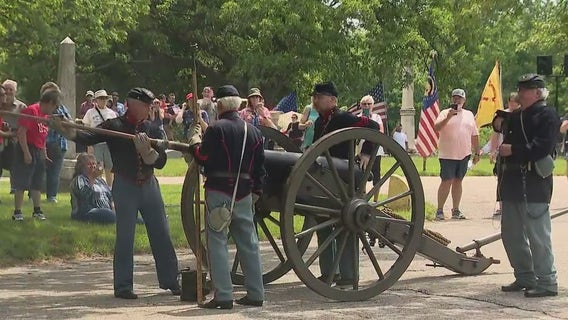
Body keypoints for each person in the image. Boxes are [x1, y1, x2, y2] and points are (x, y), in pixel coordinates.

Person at [53, 87, 180, 299]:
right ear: (134, 104)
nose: (151, 108)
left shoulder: (153, 128)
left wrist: (148, 152)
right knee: (125, 237)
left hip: (149, 186)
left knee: (162, 233)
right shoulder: (114, 125)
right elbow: (86, 137)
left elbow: (161, 162)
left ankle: (170, 280)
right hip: (125, 185)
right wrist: (63, 129)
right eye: (147, 105)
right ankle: (123, 287)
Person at [188, 85, 265, 309]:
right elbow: (260, 168)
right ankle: (256, 293)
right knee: (249, 244)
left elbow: (203, 156)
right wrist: (256, 191)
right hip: (244, 193)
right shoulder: (254, 132)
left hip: (219, 190)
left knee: (217, 243)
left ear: (219, 105)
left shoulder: (215, 129)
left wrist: (194, 142)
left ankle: (223, 295)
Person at [492, 74, 558, 298]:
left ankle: (547, 281)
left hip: (534, 182)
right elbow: (500, 126)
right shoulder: (517, 115)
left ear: (537, 93)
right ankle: (524, 276)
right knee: (511, 233)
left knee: (538, 235)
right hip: (511, 182)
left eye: (525, 89)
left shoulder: (547, 115)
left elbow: (542, 147)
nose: (520, 92)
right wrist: (499, 121)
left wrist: (514, 150)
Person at [311, 81, 380, 286]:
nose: (315, 100)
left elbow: (373, 126)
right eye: (314, 97)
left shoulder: (342, 117)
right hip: (324, 178)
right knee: (323, 224)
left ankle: (349, 275)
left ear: (332, 100)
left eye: (319, 96)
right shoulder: (318, 122)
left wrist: (367, 151)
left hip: (343, 178)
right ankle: (330, 272)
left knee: (345, 223)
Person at [12, 86, 62, 221]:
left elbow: (42, 137)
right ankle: (17, 212)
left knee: (37, 182)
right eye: (55, 106)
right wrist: (26, 153)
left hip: (39, 150)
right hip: (27, 147)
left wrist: (44, 153)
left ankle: (37, 210)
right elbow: (21, 133)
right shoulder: (31, 111)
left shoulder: (45, 116)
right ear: (50, 102)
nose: (55, 109)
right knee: (22, 181)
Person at [433, 88, 480, 220]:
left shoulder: (469, 114)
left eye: (459, 98)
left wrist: (477, 152)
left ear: (464, 100)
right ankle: (440, 210)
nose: (457, 100)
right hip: (447, 154)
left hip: (464, 154)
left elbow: (475, 134)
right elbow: (437, 127)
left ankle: (456, 210)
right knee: (446, 181)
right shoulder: (444, 113)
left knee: (458, 181)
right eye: (454, 97)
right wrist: (448, 117)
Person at [489, 92, 521, 216]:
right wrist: (492, 151)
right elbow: (495, 134)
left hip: (516, 152)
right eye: (510, 102)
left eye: (515, 102)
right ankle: (502, 206)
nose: (512, 104)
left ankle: (516, 205)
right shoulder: (502, 115)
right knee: (501, 179)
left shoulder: (522, 115)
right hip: (502, 153)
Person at [83, 89, 117, 187]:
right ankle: (98, 187)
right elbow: (86, 129)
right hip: (96, 144)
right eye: (101, 98)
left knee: (110, 168)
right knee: (98, 168)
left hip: (109, 144)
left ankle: (110, 189)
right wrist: (89, 145)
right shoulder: (90, 112)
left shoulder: (112, 113)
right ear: (96, 100)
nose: (103, 100)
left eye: (105, 98)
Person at [44, 83, 72, 203]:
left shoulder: (63, 109)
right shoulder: (40, 109)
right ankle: (33, 193)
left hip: (60, 144)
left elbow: (70, 122)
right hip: (43, 143)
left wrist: (64, 120)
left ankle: (52, 196)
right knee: (40, 171)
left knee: (55, 172)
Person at [359, 95, 385, 202]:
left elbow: (381, 132)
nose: (367, 106)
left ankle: (375, 200)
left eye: (369, 104)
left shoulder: (377, 117)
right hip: (362, 150)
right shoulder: (358, 117)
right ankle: (363, 198)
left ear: (372, 105)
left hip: (376, 151)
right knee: (361, 175)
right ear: (361, 105)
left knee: (376, 175)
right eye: (364, 104)